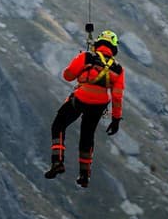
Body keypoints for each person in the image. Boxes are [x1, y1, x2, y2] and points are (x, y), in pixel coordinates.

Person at [45, 29, 125, 188]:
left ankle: (57, 162)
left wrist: (79, 63)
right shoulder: (118, 69)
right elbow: (117, 96)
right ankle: (84, 175)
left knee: (59, 125)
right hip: (99, 106)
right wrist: (116, 119)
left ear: (99, 43)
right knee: (87, 136)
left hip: (81, 99)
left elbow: (68, 76)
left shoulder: (87, 57)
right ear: (113, 47)